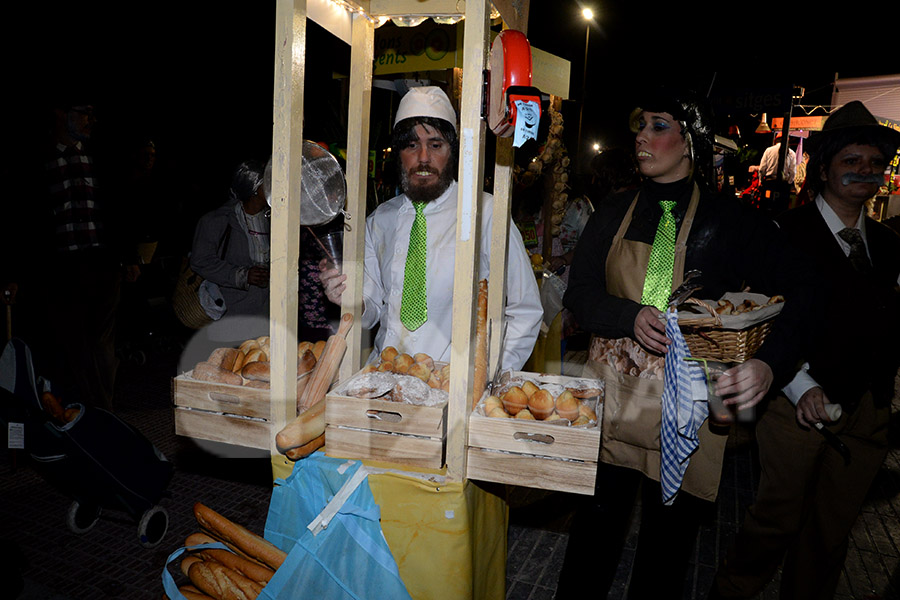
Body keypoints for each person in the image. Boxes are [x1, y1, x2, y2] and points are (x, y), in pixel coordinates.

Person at [556, 88, 816, 599]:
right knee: (592, 540)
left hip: (691, 414)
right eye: (640, 125)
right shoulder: (613, 210)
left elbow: (806, 294)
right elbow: (579, 295)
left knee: (665, 553)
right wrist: (628, 316)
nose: (642, 137)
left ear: (691, 142)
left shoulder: (732, 223)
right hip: (615, 405)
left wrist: (769, 365)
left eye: (658, 125)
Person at [709, 100, 900, 600]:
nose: (866, 172)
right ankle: (730, 591)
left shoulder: (889, 242)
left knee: (831, 530)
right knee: (778, 518)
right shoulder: (783, 235)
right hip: (795, 403)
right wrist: (802, 385)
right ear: (824, 167)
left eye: (875, 163)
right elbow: (761, 318)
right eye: (852, 161)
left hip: (867, 411)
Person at [320, 86, 541, 367]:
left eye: (435, 145)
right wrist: (347, 297)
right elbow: (372, 308)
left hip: (456, 388)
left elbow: (525, 310)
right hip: (386, 380)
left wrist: (486, 379)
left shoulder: (485, 214)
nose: (423, 157)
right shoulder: (380, 220)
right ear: (399, 153)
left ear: (452, 152)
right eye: (412, 145)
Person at [37, 98, 139, 411]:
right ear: (60, 114)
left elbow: (120, 208)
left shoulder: (100, 159)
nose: (90, 121)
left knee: (102, 344)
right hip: (64, 269)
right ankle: (84, 411)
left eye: (93, 114)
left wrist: (130, 256)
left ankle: (103, 411)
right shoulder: (42, 161)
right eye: (83, 114)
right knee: (73, 344)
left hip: (102, 264)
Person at [190, 160, 270, 320]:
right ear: (254, 187)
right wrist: (242, 276)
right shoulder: (218, 220)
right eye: (268, 182)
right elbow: (200, 261)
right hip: (231, 311)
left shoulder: (274, 220)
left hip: (266, 310)